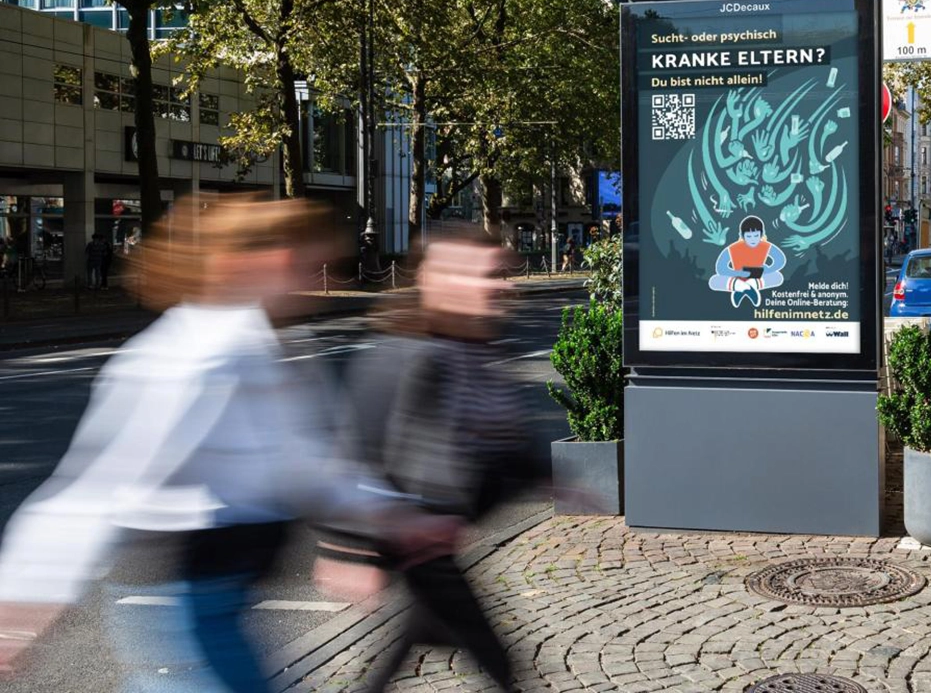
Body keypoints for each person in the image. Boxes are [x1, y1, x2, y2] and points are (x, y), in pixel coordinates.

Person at [0, 197, 456, 689]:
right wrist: (19, 605)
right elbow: (96, 489)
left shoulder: (268, 345)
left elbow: (307, 464)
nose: (317, 283)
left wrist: (396, 516)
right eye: (305, 265)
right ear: (251, 262)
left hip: (221, 597)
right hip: (183, 602)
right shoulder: (194, 357)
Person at [318, 236, 544, 692]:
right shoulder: (400, 353)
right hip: (411, 534)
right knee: (499, 662)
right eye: (484, 276)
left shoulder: (477, 346)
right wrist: (350, 550)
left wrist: (552, 476)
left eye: (500, 275)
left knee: (425, 629)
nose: (501, 287)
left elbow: (502, 440)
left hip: (438, 533)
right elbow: (356, 451)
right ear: (435, 281)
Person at [710, 216, 787, 308]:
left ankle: (747, 286)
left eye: (756, 236)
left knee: (778, 277)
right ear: (742, 235)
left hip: (758, 277)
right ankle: (742, 286)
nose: (753, 239)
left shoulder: (766, 246)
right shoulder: (733, 248)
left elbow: (780, 260)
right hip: (737, 277)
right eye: (749, 236)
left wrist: (768, 270)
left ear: (762, 234)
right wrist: (738, 273)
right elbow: (720, 268)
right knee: (713, 281)